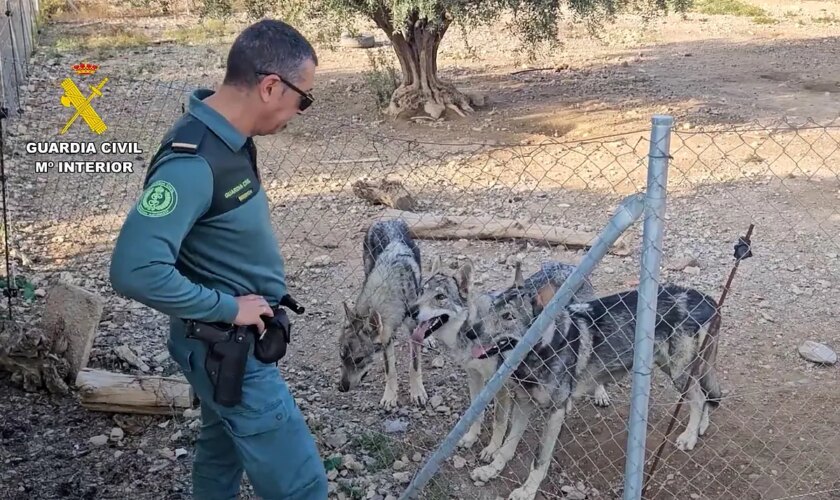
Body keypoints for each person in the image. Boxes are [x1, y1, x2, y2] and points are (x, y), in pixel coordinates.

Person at [109, 19, 328, 500]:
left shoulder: (226, 139)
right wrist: (231, 309)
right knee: (303, 486)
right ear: (271, 86)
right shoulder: (194, 163)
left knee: (221, 448)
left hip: (217, 348)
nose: (300, 111)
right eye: (303, 99)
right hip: (229, 351)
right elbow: (133, 270)